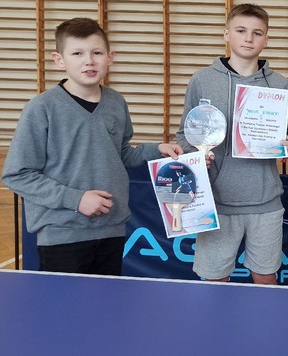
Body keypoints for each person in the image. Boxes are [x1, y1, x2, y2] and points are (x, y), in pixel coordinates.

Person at [2, 17, 183, 275]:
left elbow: (121, 154)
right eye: (77, 53)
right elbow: (17, 175)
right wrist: (77, 200)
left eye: (96, 53)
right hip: (62, 234)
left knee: (103, 300)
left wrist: (157, 149)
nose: (89, 60)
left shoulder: (116, 102)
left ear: (110, 58)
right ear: (59, 60)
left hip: (111, 230)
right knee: (66, 301)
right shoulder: (41, 108)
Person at [176, 3, 288, 285]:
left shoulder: (279, 85)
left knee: (265, 278)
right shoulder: (202, 80)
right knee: (214, 281)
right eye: (241, 31)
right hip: (216, 202)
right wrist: (196, 155)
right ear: (227, 34)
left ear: (266, 39)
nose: (249, 38)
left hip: (265, 203)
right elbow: (184, 136)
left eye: (257, 33)